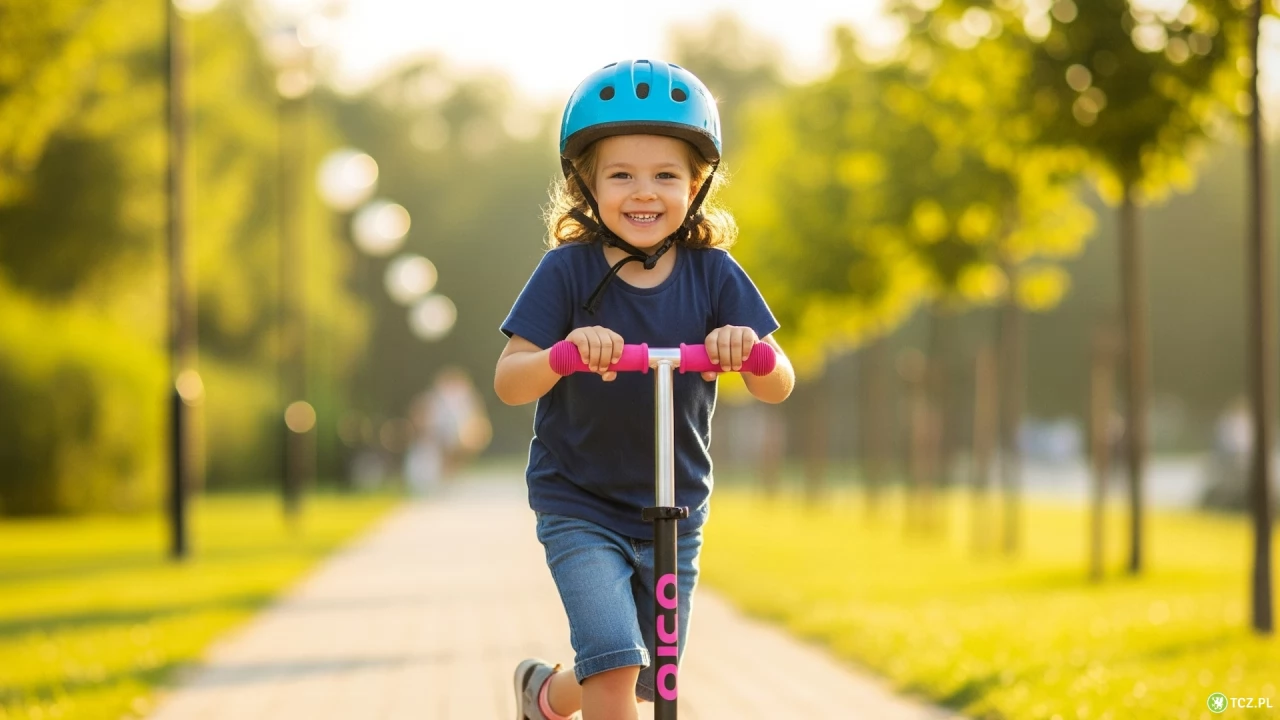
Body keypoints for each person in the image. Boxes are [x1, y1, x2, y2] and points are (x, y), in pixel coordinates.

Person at [493, 59, 795, 720]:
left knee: (639, 681)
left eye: (666, 176)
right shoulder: (566, 273)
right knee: (617, 657)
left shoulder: (715, 276)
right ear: (587, 184)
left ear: (697, 185)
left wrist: (749, 353)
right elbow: (511, 382)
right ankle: (569, 687)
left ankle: (545, 696)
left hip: (675, 512)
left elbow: (780, 381)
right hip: (580, 502)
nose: (644, 192)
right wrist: (565, 354)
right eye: (621, 175)